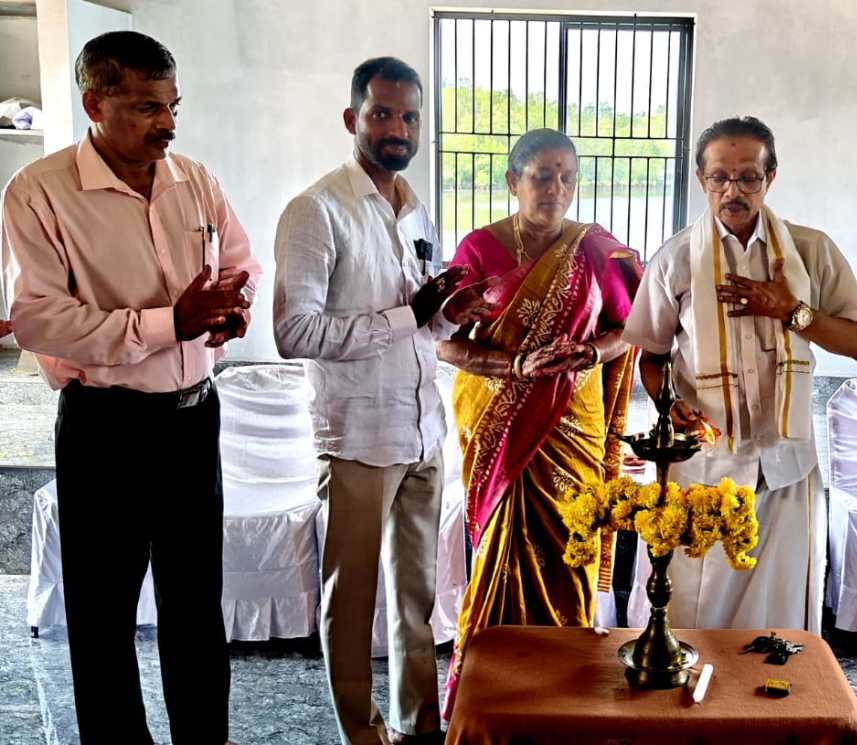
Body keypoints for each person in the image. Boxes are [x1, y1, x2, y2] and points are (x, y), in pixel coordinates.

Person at [0, 31, 259, 744]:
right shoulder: (40, 191)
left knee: (196, 606)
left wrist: (233, 308)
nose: (167, 123)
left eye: (173, 105)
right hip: (105, 426)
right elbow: (39, 320)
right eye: (147, 107)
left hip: (193, 419)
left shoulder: (194, 179)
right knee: (103, 614)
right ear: (95, 103)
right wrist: (170, 323)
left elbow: (239, 263)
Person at [273, 57, 490, 745]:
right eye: (382, 114)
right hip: (359, 436)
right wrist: (410, 315)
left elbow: (425, 322)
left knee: (417, 598)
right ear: (352, 119)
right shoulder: (316, 210)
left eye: (410, 117)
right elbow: (294, 333)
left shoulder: (415, 207)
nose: (398, 129)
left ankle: (416, 725)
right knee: (352, 598)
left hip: (423, 430)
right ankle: (361, 733)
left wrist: (451, 312)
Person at [622, 116, 857, 632]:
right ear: (701, 179)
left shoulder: (810, 250)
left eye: (748, 178)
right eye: (719, 177)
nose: (732, 191)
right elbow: (651, 356)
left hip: (784, 467)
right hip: (705, 467)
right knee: (693, 611)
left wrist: (792, 312)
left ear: (770, 177)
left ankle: (768, 689)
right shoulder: (675, 259)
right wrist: (671, 405)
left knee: (776, 616)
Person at [437, 128, 641, 719]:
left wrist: (591, 352)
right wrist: (514, 366)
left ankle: (567, 695)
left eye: (567, 177)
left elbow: (631, 328)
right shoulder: (479, 250)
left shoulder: (596, 250)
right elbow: (445, 342)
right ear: (513, 181)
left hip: (573, 424)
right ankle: (495, 699)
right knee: (501, 552)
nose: (557, 189)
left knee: (570, 545)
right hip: (499, 425)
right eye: (543, 176)